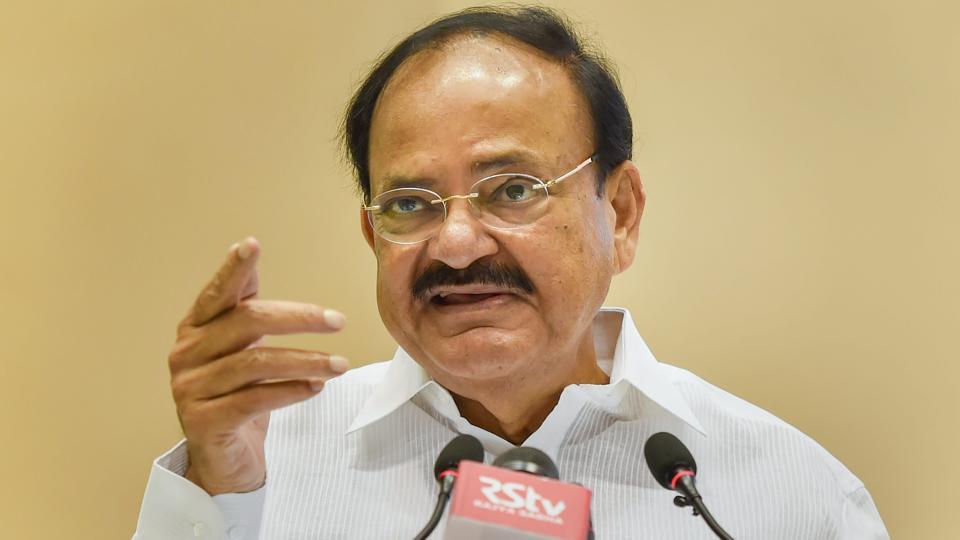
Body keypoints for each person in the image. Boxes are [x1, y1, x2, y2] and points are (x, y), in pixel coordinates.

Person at [134, 6, 888, 539]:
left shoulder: (791, 496)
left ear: (621, 213)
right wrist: (223, 492)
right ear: (372, 235)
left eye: (514, 191)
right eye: (410, 204)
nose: (458, 245)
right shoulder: (261, 462)